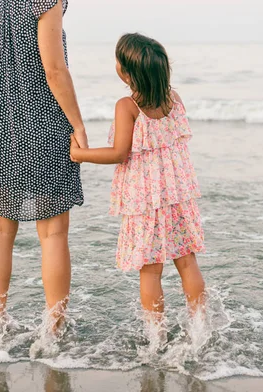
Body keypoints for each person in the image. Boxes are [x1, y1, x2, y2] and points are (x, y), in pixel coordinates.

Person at [0, 0, 88, 329]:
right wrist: (77, 123)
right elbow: (54, 69)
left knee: (1, 229)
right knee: (53, 233)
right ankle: (54, 327)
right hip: (44, 122)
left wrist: (0, 100)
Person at [70, 33, 206, 323]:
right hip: (178, 194)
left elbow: (119, 153)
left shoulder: (127, 106)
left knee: (151, 268)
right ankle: (200, 327)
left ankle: (155, 337)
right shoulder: (175, 99)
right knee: (187, 261)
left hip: (146, 200)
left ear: (125, 72)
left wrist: (80, 154)